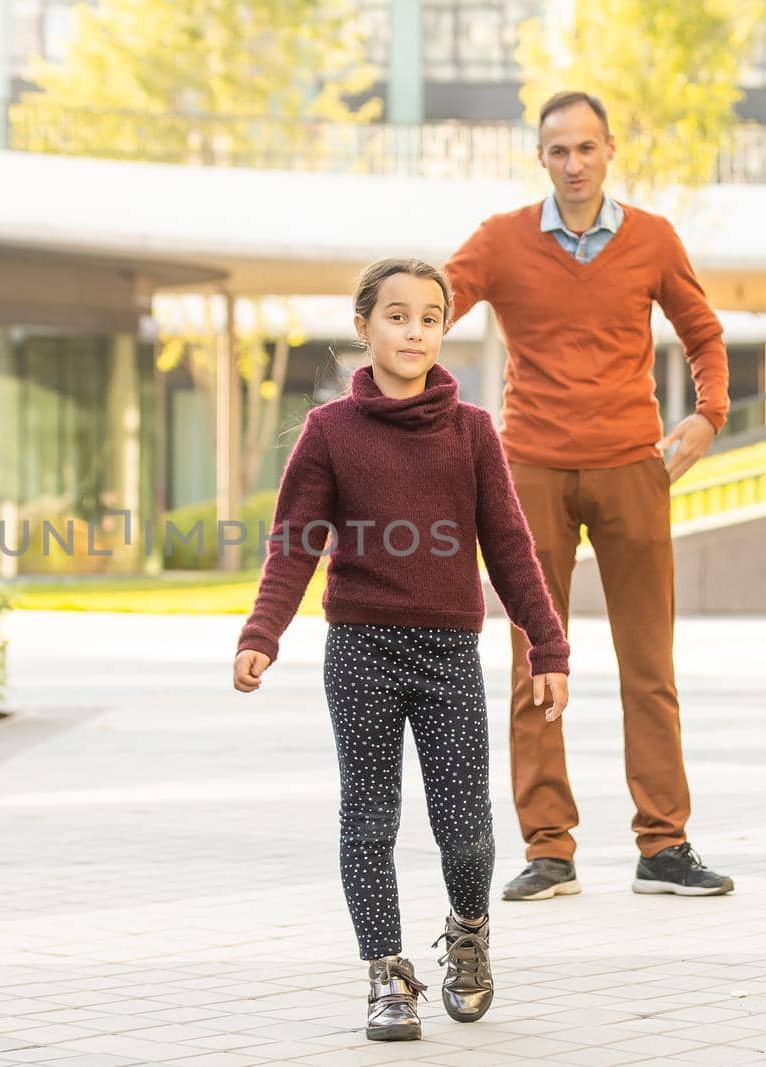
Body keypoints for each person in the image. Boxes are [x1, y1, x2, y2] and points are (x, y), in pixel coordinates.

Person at [232, 257, 570, 1042]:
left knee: (464, 826)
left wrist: (546, 645)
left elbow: (511, 548)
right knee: (369, 819)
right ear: (363, 328)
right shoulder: (329, 433)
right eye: (395, 315)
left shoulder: (473, 431)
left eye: (428, 316)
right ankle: (386, 973)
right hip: (360, 650)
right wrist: (263, 633)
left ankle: (469, 932)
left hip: (449, 652)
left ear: (443, 329)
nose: (412, 329)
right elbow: (293, 544)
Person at [443, 90, 736, 903]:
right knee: (537, 658)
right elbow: (436, 303)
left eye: (586, 148)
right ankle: (548, 848)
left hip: (631, 470)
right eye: (557, 151)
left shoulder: (652, 239)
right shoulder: (502, 239)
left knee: (649, 662)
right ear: (540, 158)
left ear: (610, 151)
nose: (573, 163)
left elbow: (703, 332)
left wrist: (708, 415)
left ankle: (664, 844)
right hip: (528, 471)